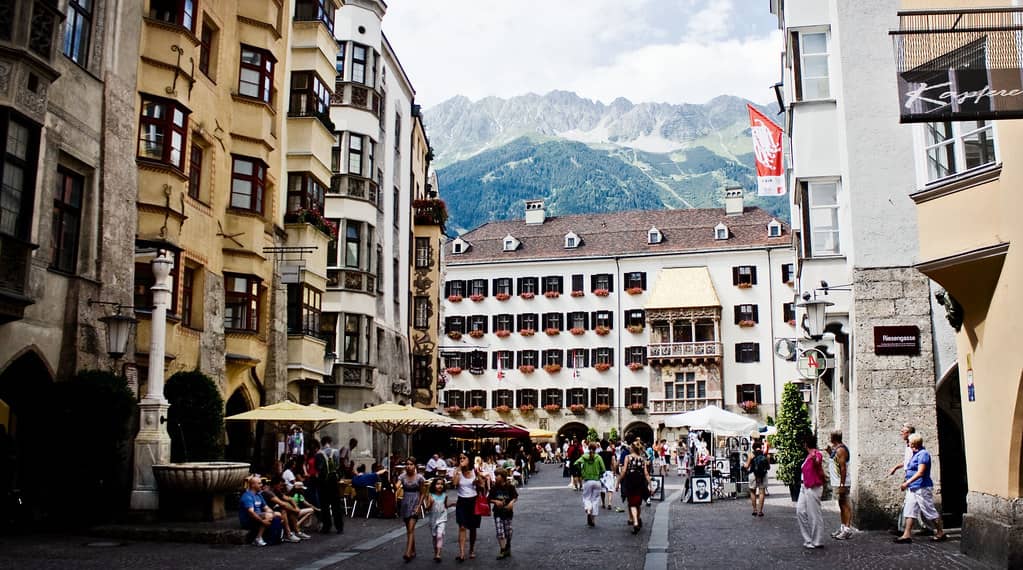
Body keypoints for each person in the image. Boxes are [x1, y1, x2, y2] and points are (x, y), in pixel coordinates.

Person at [895, 433, 947, 544]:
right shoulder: (915, 454)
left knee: (929, 510)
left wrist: (907, 483)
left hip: (922, 487)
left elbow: (920, 472)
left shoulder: (923, 454)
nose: (908, 444)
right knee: (910, 510)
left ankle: (940, 532)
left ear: (913, 443)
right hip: (913, 488)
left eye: (909, 442)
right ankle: (906, 535)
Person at [452, 453, 485, 562]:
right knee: (462, 527)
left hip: (473, 501)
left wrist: (478, 481)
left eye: (464, 458)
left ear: (469, 460)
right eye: (460, 458)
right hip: (462, 501)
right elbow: (455, 483)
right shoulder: (457, 471)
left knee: (473, 528)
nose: (461, 460)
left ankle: (471, 549)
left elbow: (482, 485)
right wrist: (459, 469)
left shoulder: (474, 471)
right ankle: (462, 553)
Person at [796, 433, 826, 549]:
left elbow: (817, 461)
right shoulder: (808, 455)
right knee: (800, 511)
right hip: (804, 487)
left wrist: (815, 459)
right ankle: (808, 539)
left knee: (814, 514)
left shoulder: (816, 454)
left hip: (813, 487)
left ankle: (817, 541)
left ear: (806, 444)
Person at [617, 441, 651, 534]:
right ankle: (637, 519)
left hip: (630, 481)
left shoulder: (628, 457)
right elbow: (646, 473)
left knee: (632, 503)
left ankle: (635, 522)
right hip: (640, 482)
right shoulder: (642, 459)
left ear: (632, 448)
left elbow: (623, 471)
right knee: (637, 503)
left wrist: (618, 482)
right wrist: (650, 485)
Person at [397, 458, 427, 562]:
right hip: (405, 503)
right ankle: (413, 550)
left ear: (415, 466)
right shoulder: (402, 476)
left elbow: (423, 493)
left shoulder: (419, 478)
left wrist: (419, 506)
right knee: (409, 529)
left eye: (411, 464)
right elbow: (396, 486)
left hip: (415, 503)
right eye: (407, 464)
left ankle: (408, 552)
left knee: (411, 528)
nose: (408, 466)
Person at [262, 476, 307, 542]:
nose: (282, 487)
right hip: (268, 511)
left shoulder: (277, 491)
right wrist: (295, 510)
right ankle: (288, 534)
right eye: (280, 485)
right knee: (283, 510)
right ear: (275, 485)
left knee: (289, 509)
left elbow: (290, 499)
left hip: (275, 509)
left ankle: (297, 532)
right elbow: (282, 504)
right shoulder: (268, 492)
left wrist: (296, 507)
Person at [239, 475, 280, 546]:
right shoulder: (247, 496)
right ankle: (258, 538)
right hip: (248, 520)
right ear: (253, 485)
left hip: (258, 517)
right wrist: (263, 521)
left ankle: (276, 537)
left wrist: (273, 514)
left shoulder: (258, 495)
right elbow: (251, 513)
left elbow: (266, 508)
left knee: (278, 514)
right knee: (268, 515)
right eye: (259, 483)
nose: (261, 485)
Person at [828, 430, 853, 540]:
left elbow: (843, 468)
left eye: (831, 436)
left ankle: (847, 529)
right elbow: (835, 463)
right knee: (841, 504)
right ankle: (843, 527)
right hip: (837, 482)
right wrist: (829, 452)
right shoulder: (836, 449)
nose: (830, 437)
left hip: (841, 483)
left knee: (845, 504)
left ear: (834, 437)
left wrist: (842, 484)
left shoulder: (841, 450)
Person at [315, 436, 343, 534]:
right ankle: (339, 526)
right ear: (330, 442)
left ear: (322, 443)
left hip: (323, 482)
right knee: (336, 505)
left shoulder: (318, 454)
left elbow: (318, 468)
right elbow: (338, 466)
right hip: (333, 480)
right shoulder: (336, 452)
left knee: (324, 505)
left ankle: (327, 526)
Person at [488, 468, 518, 559]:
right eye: (495, 475)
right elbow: (489, 499)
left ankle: (508, 546)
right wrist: (495, 501)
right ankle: (502, 550)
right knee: (500, 531)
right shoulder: (494, 487)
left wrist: (511, 503)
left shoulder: (510, 487)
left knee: (508, 532)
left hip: (508, 512)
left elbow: (515, 497)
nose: (495, 477)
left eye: (497, 475)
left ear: (503, 477)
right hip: (498, 512)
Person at [575, 443, 606, 527]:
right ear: (596, 449)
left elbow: (576, 463)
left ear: (588, 448)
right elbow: (603, 469)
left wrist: (582, 472)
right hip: (597, 481)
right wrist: (599, 474)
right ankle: (593, 519)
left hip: (587, 481)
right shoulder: (598, 457)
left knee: (587, 498)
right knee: (595, 500)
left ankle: (588, 510)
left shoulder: (584, 457)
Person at [744, 442, 769, 516]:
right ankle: (760, 511)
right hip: (763, 475)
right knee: (762, 493)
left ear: (753, 447)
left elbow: (747, 466)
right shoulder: (766, 455)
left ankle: (755, 510)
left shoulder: (751, 454)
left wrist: (744, 466)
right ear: (760, 447)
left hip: (753, 475)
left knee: (752, 492)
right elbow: (768, 467)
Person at [597, 440, 616, 510]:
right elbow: (613, 463)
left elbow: (598, 464)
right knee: (610, 488)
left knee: (602, 489)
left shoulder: (599, 454)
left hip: (602, 473)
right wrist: (614, 471)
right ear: (607, 446)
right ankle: (609, 503)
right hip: (609, 472)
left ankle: (603, 503)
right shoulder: (611, 453)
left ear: (601, 446)